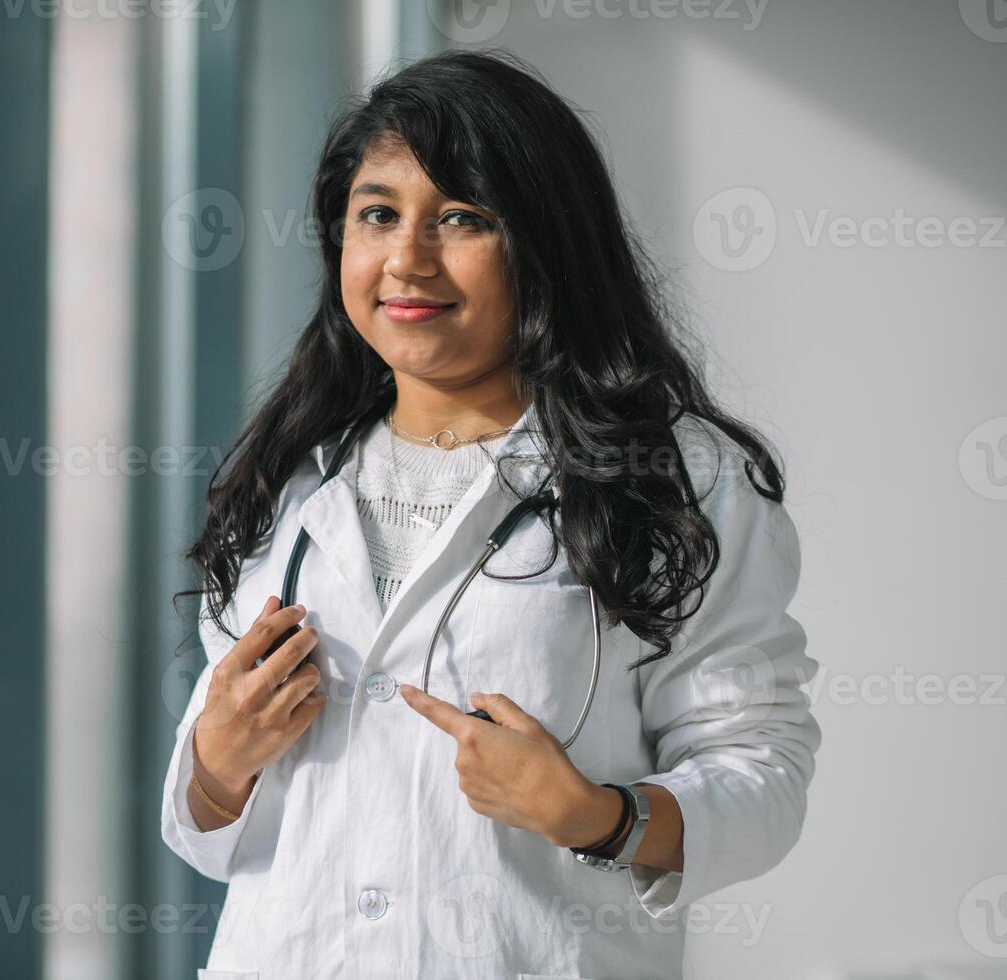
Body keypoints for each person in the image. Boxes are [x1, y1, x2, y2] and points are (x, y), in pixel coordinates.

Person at [161, 48, 821, 979]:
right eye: (378, 214)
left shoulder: (670, 482)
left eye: (461, 218)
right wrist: (218, 763)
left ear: (546, 243)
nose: (406, 259)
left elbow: (762, 778)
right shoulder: (283, 482)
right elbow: (213, 836)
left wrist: (596, 817)